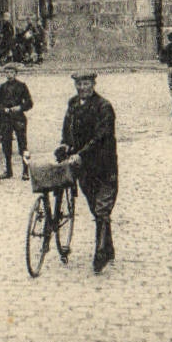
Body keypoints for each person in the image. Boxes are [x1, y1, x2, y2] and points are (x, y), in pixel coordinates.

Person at [60, 70, 118, 275]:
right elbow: (67, 128)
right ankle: (108, 248)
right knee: (95, 207)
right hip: (84, 167)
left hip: (104, 164)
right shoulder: (73, 104)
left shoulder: (104, 107)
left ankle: (100, 255)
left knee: (102, 209)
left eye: (86, 84)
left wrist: (81, 153)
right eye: (79, 84)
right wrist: (65, 145)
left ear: (93, 84)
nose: (82, 88)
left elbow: (102, 136)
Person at [0, 61, 33, 179]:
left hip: (18, 118)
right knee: (6, 144)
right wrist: (3, 109)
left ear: (16, 73)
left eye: (12, 72)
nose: (9, 74)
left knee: (23, 145)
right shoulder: (2, 87)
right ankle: (8, 170)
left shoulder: (22, 86)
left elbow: (29, 103)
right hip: (5, 119)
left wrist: (20, 107)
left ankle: (26, 171)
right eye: (7, 72)